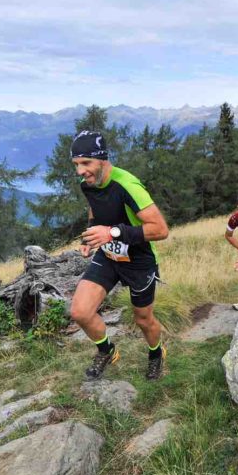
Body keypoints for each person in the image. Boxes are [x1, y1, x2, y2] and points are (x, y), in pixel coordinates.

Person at [68, 130, 170, 381]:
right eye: (76, 165)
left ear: (103, 159)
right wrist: (89, 237)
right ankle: (107, 350)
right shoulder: (88, 184)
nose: (80, 171)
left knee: (143, 319)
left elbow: (161, 230)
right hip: (109, 256)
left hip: (139, 261)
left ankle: (156, 354)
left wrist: (112, 232)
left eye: (85, 163)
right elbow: (95, 208)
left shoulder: (128, 186)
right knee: (80, 312)